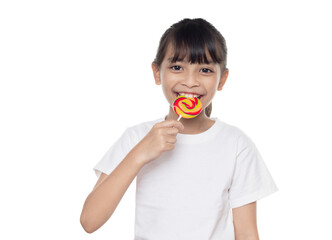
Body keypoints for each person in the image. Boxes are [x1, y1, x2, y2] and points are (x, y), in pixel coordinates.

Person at [80, 18, 278, 240]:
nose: (190, 81)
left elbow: (247, 232)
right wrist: (140, 153)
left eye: (205, 69)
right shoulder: (136, 137)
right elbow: (89, 221)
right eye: (177, 67)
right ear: (157, 73)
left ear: (222, 79)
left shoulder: (236, 144)